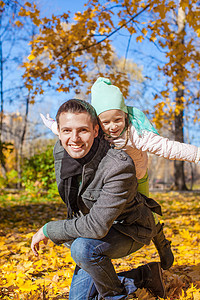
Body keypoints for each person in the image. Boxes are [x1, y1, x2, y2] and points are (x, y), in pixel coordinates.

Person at [32, 99, 166, 300]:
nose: (74, 138)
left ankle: (116, 296)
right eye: (67, 130)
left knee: (82, 249)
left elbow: (96, 227)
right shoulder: (61, 151)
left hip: (128, 229)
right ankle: (142, 276)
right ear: (58, 131)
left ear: (96, 131)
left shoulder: (117, 166)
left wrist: (48, 230)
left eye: (83, 130)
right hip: (91, 233)